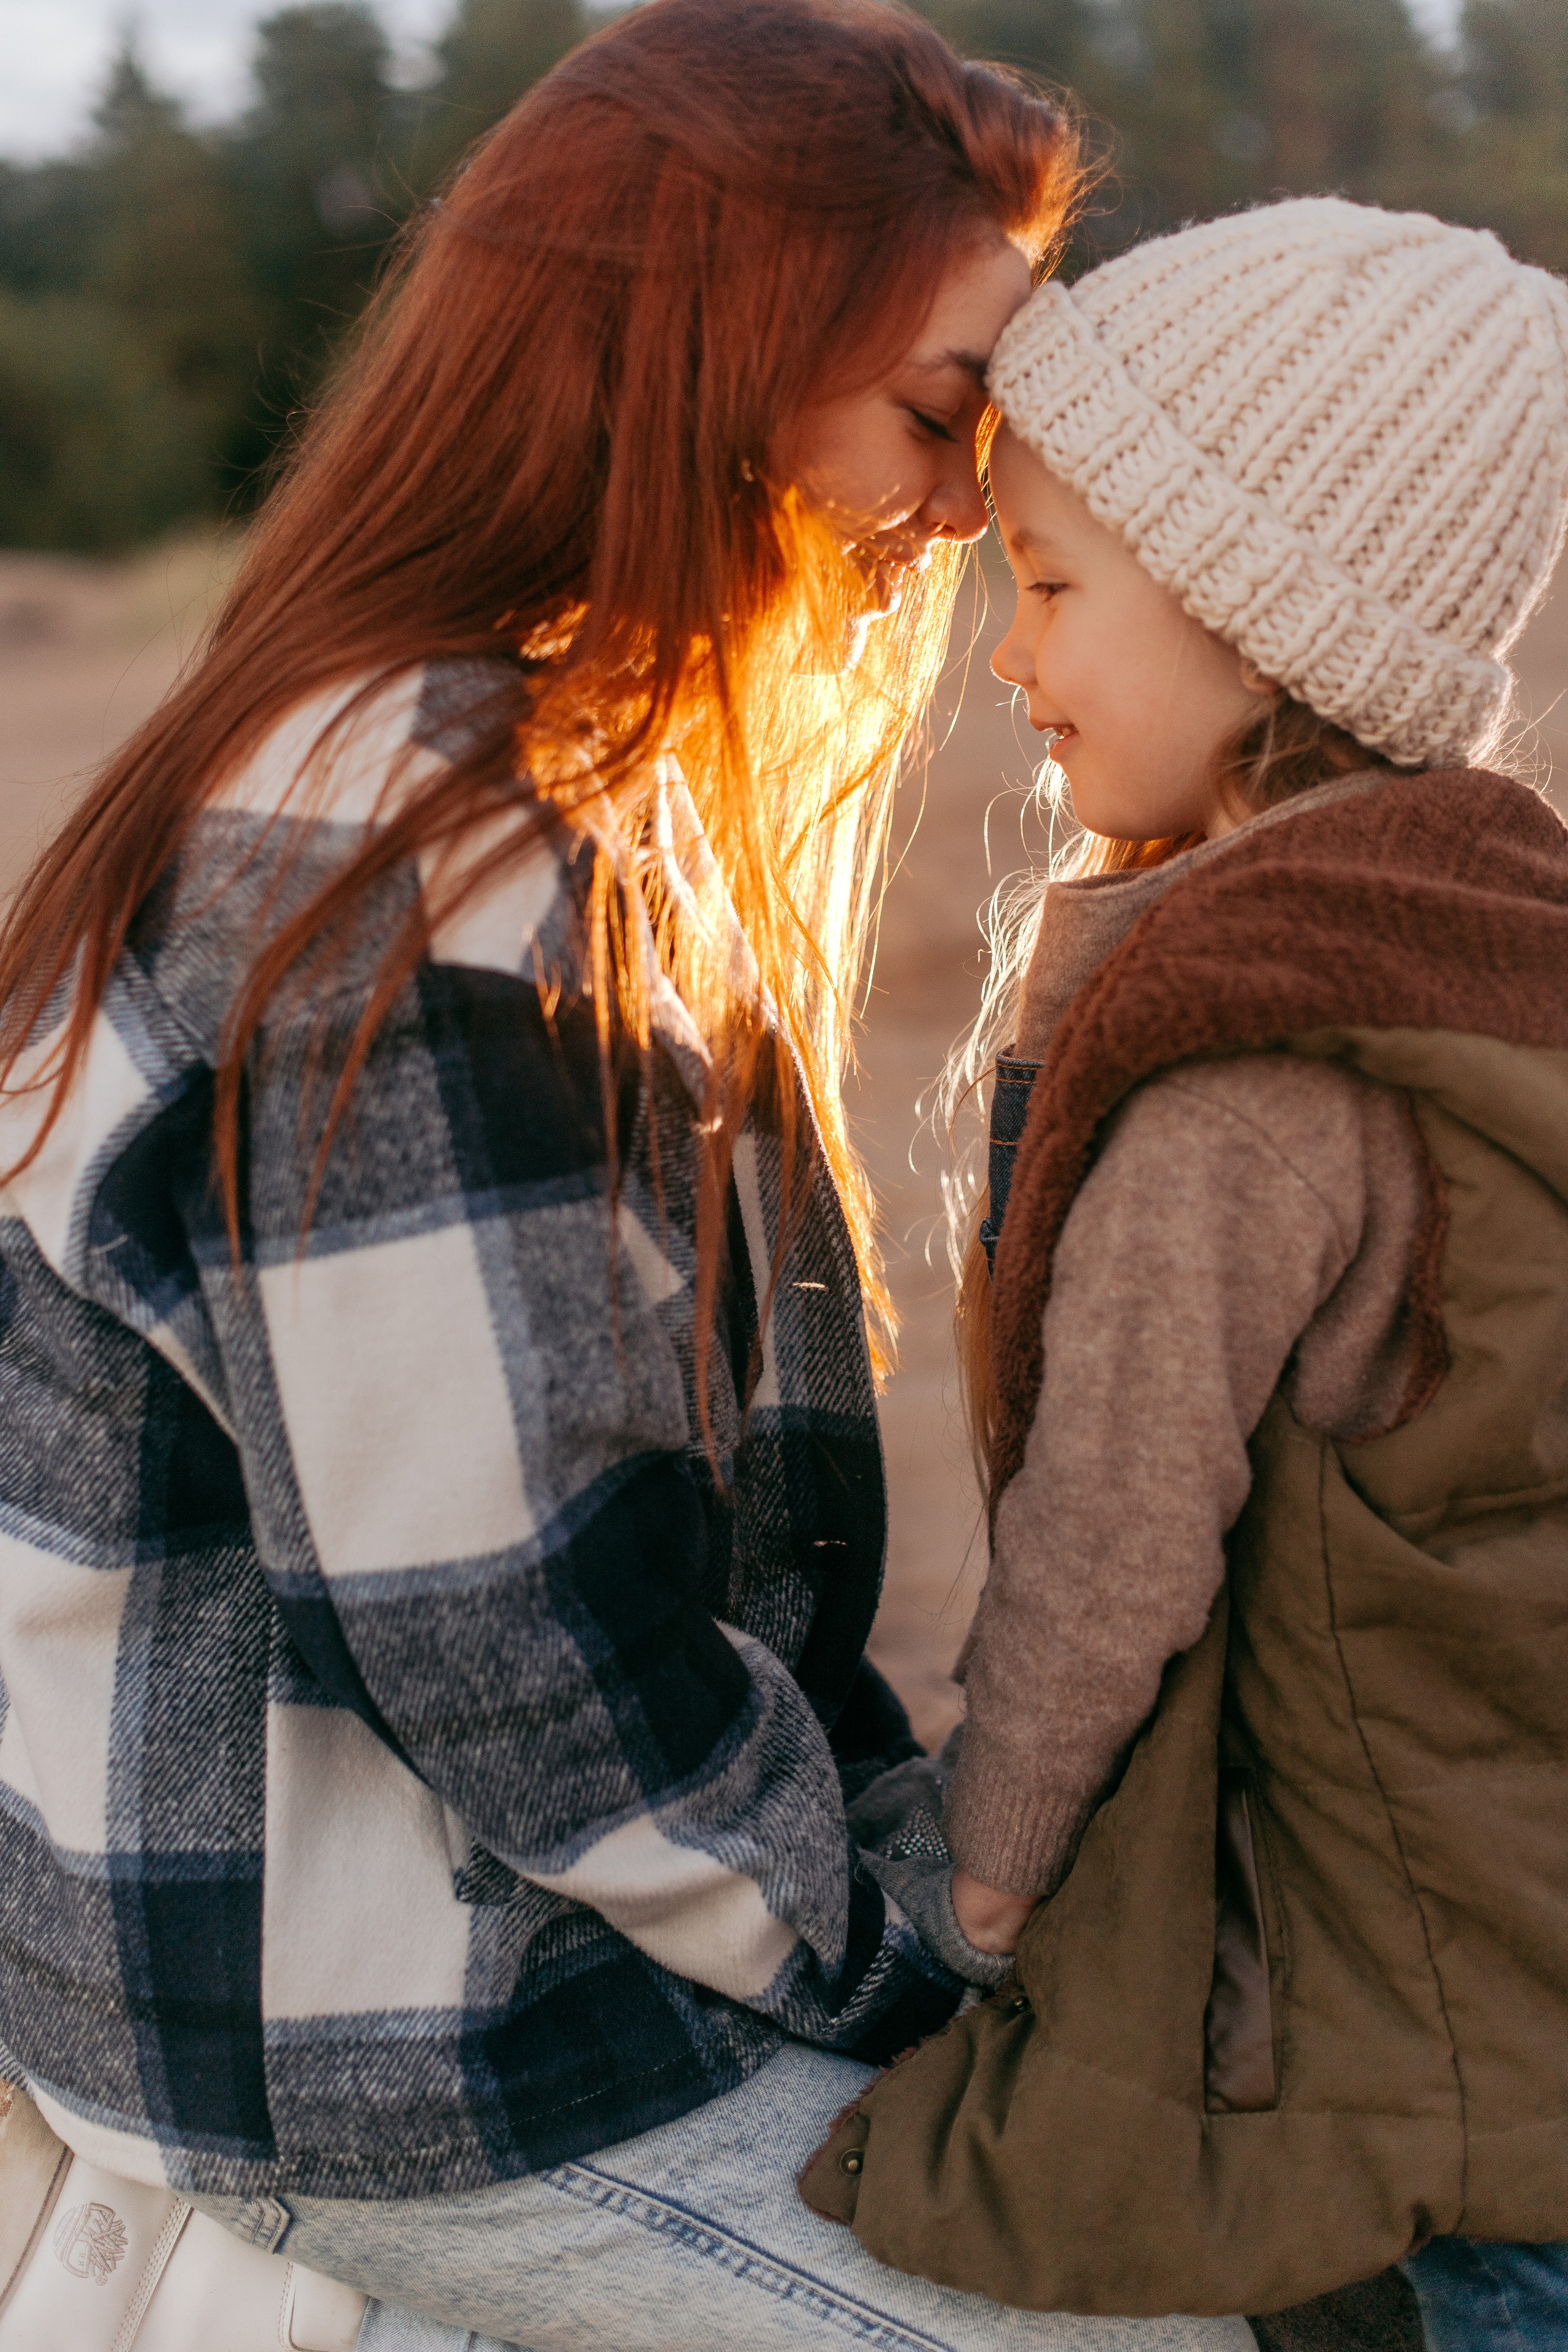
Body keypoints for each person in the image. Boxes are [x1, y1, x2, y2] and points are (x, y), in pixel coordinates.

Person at [0, 3, 1251, 2346]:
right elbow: (510, 1639)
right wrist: (891, 1957)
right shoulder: (408, 857)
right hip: (386, 2044)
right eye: (935, 416)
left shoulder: (560, 761)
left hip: (500, 1947)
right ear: (711, 353)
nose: (974, 509)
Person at [801, 197, 1568, 2348]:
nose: (1013, 655)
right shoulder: (1495, 958)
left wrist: (982, 1872)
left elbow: (1116, 1525)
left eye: (1050, 587)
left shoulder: (1254, 1061)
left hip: (1392, 2076)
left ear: (1261, 622)